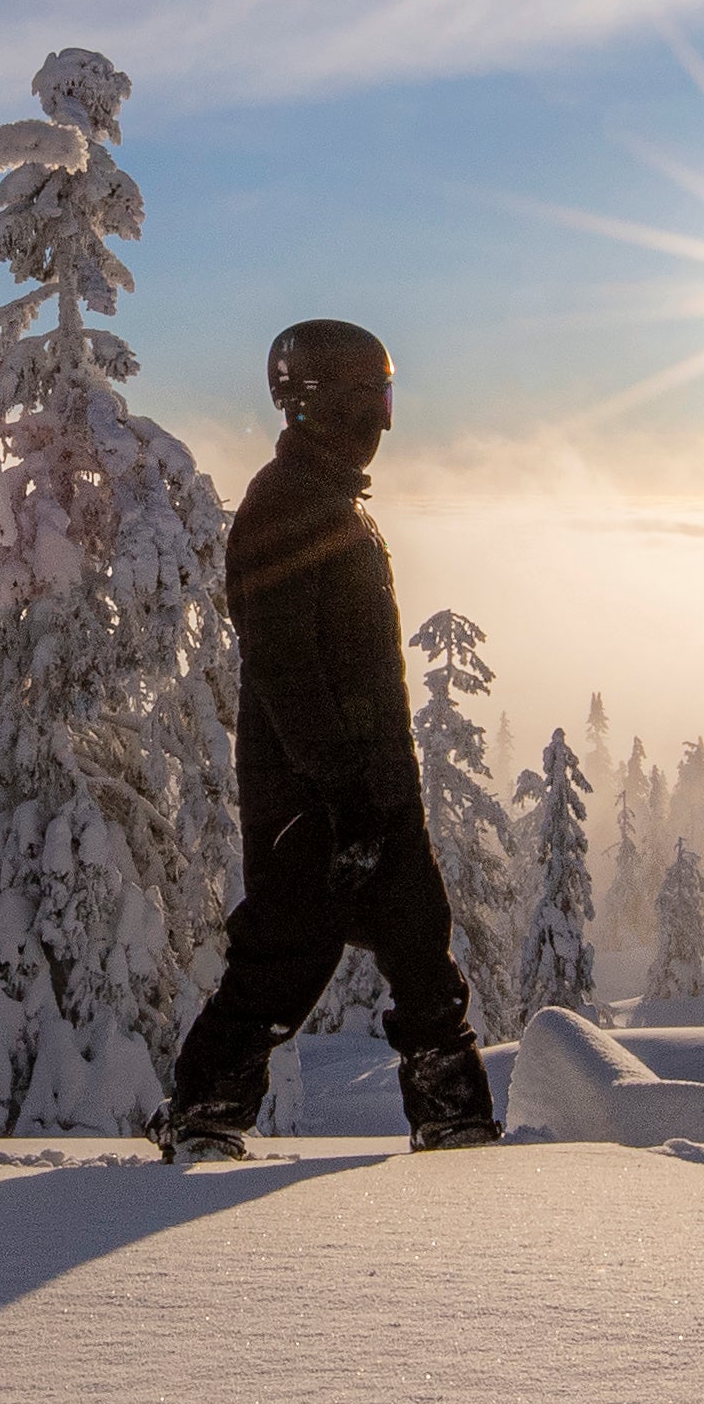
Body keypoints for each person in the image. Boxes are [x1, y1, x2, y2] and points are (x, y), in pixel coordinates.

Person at [158, 319, 504, 1162]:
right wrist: (341, 793)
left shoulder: (331, 503)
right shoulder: (286, 508)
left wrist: (378, 793)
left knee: (421, 947)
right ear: (328, 405)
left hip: (369, 793)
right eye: (371, 402)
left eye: (385, 401)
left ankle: (456, 1124)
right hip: (310, 805)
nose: (383, 424)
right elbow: (285, 670)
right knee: (285, 957)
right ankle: (202, 1117)